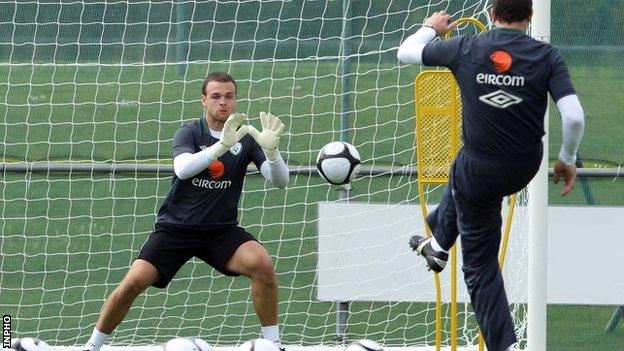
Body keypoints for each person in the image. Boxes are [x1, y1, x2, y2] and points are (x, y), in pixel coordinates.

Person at [397, 1, 584, 350]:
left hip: (480, 169)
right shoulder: (547, 55)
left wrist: (432, 28)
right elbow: (573, 116)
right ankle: (437, 243)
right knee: (464, 168)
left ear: (491, 14)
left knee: (480, 266)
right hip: (522, 167)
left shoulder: (467, 46)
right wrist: (566, 158)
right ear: (530, 17)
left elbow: (407, 52)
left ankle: (505, 346)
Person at [83, 72, 289, 351]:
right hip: (176, 228)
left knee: (262, 264)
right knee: (132, 283)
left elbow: (280, 181)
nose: (223, 102)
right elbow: (182, 169)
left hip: (221, 230)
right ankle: (92, 346)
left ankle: (274, 344)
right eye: (215, 96)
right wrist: (222, 146)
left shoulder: (248, 138)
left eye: (229, 96)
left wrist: (273, 153)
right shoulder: (190, 132)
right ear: (204, 100)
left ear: (236, 99)